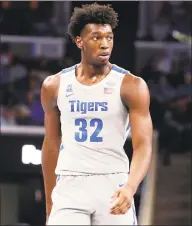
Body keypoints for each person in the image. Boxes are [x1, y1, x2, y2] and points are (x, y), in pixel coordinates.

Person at [41, 3, 152, 225]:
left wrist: (130, 187)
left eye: (109, 37)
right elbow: (52, 143)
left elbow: (143, 145)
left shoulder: (132, 86)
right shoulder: (54, 85)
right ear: (79, 41)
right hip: (70, 183)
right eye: (96, 37)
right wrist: (50, 200)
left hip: (113, 184)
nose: (104, 44)